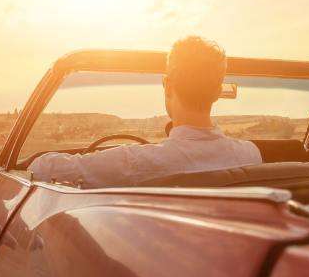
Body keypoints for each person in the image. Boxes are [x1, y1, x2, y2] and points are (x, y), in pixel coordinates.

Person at [28, 36, 262, 187]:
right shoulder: (250, 155)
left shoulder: (135, 162)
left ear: (168, 85)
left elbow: (43, 169)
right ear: (217, 91)